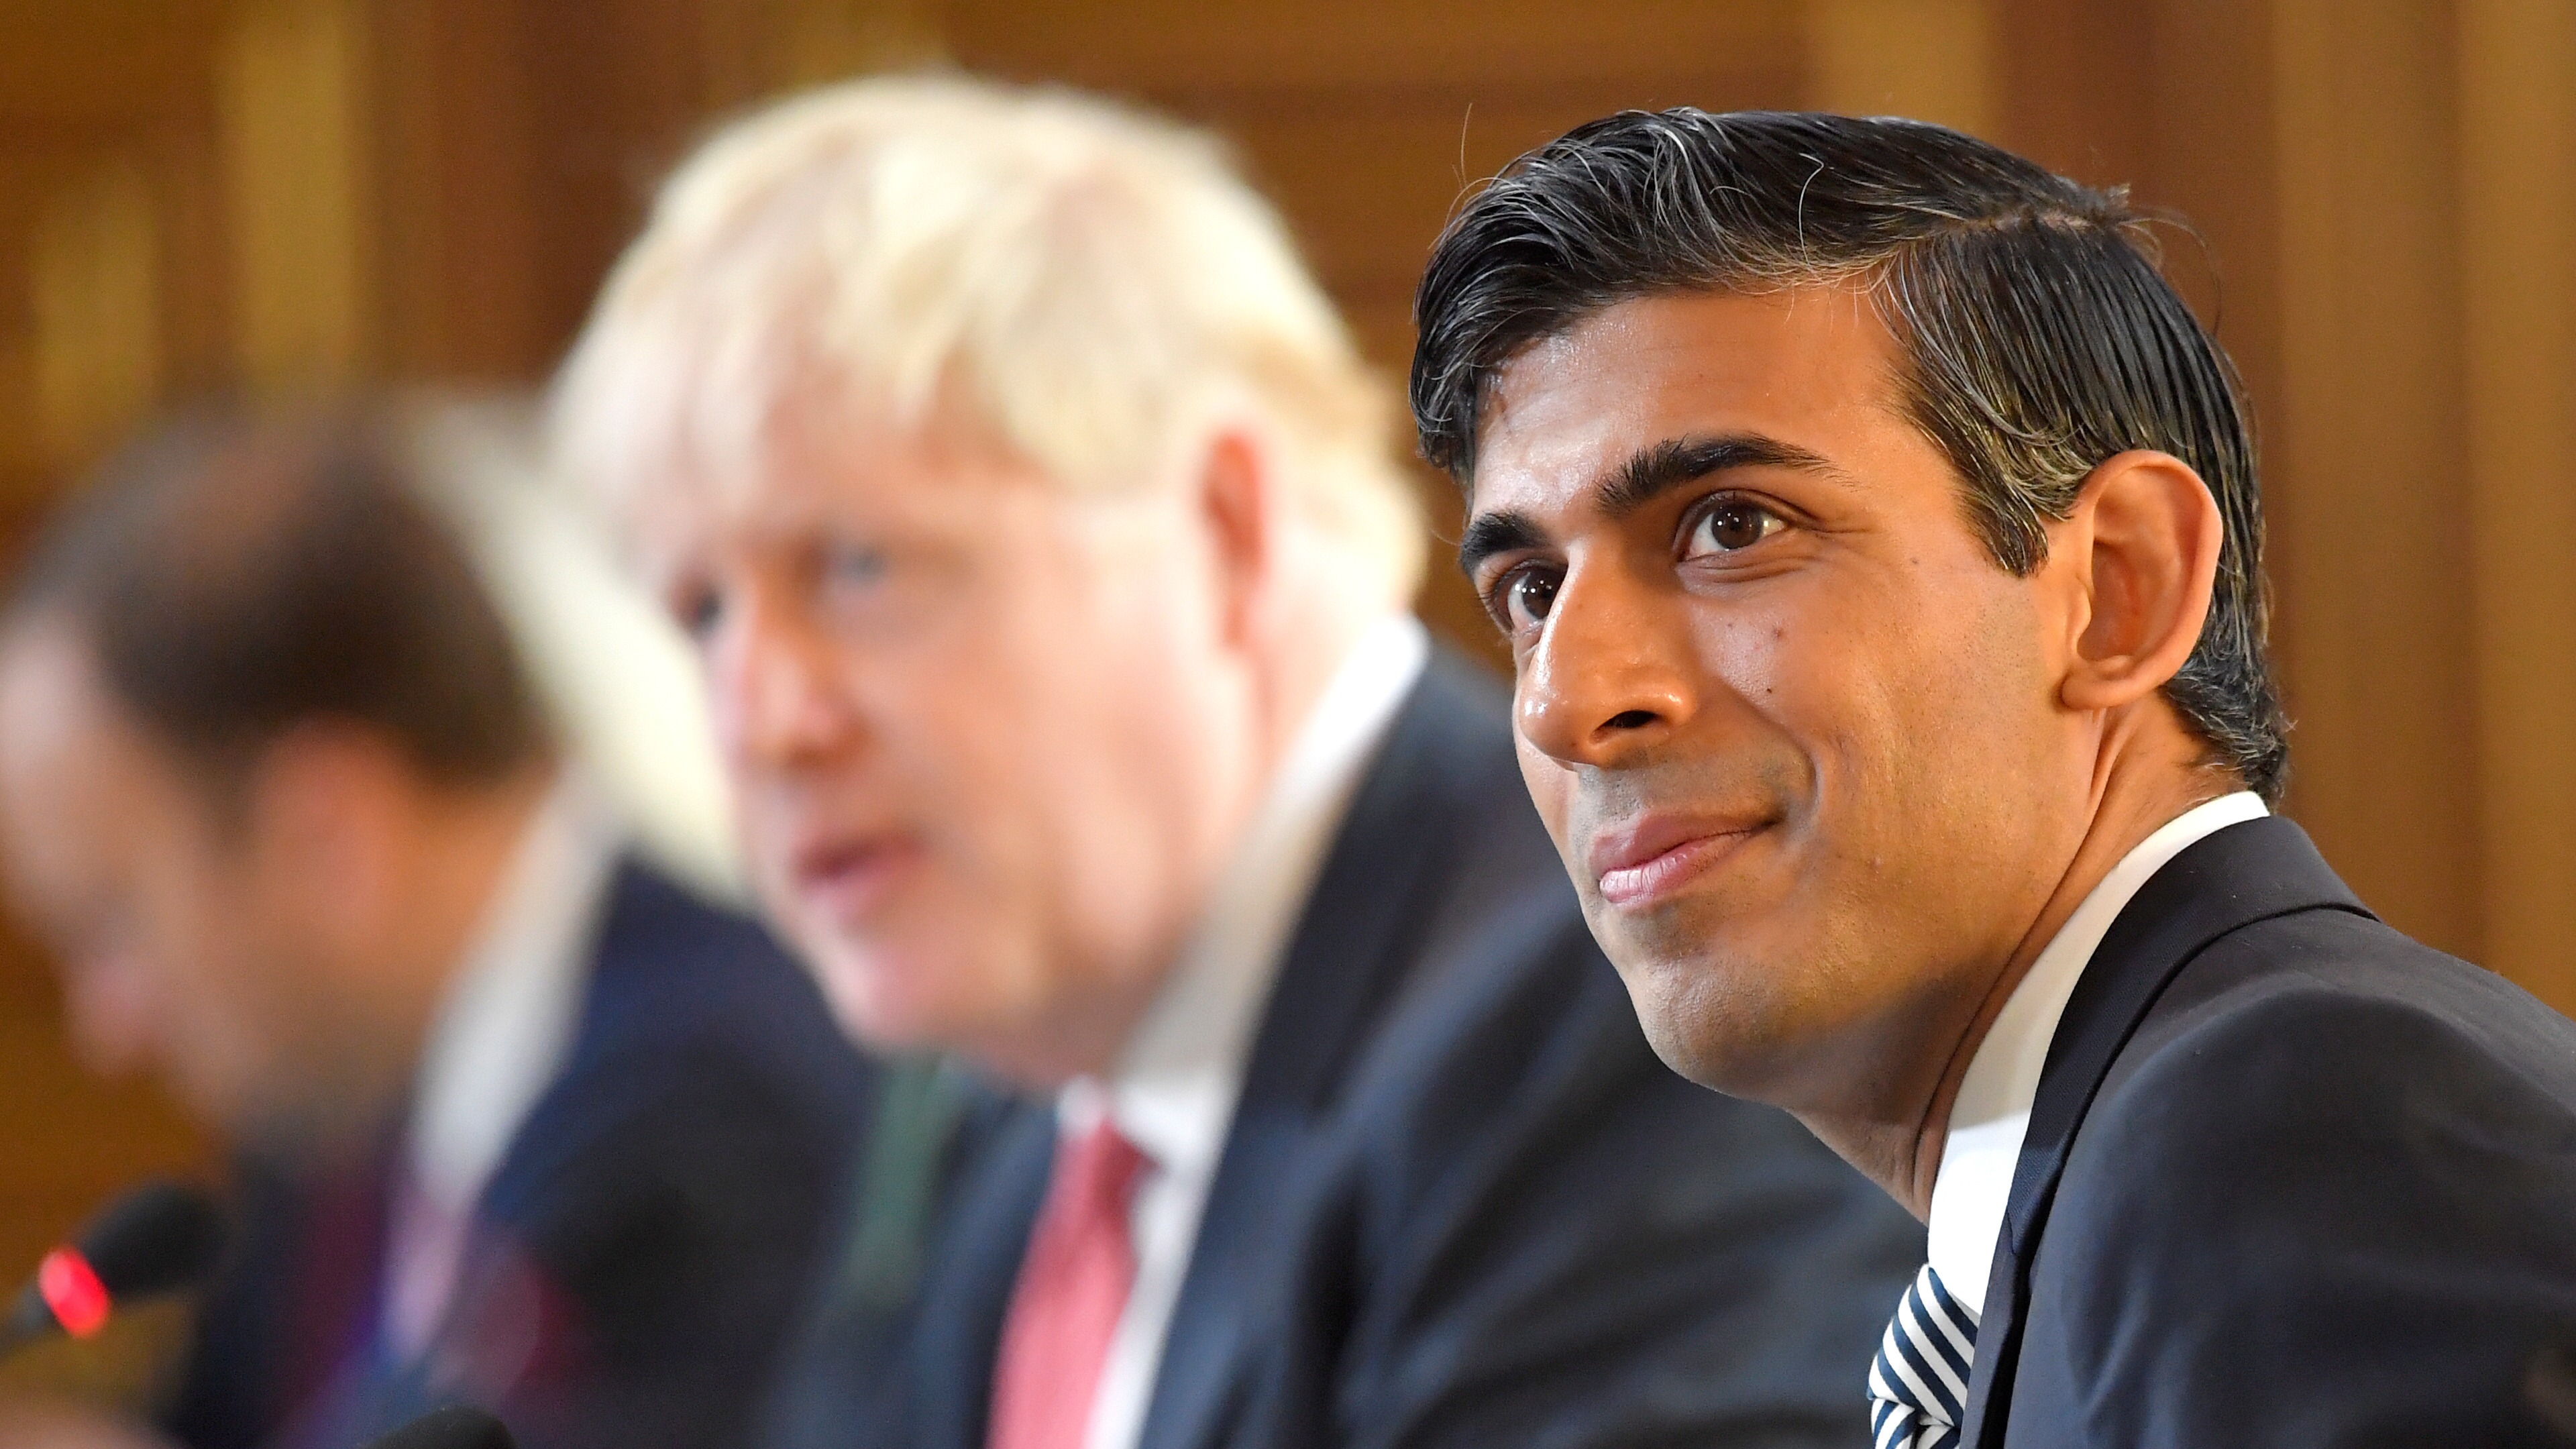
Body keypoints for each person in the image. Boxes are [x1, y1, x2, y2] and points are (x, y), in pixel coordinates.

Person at [550, 76, 1921, 1449]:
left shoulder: (1621, 1015)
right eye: (702, 612)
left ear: (1224, 529)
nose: (762, 723)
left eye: (858, 566)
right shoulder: (1003, 1105)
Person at [1408, 106, 2576, 1448]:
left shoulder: (2305, 1134)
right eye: (1531, 590)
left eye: (1733, 527)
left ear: (2120, 588)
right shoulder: (2149, 1177)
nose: (1563, 703)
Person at [0, 405, 873, 1449]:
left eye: (115, 922)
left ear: (326, 836)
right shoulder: (334, 1109)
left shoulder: (708, 1107)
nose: (107, 1026)